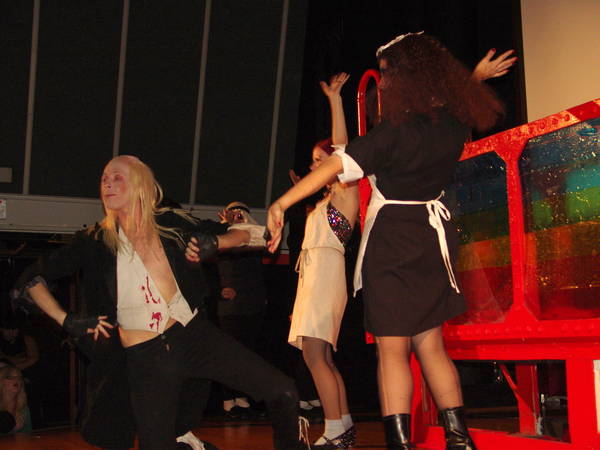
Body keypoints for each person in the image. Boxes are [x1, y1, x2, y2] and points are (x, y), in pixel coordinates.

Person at [267, 33, 513, 450]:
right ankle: (460, 440)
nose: (382, 82)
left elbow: (334, 165)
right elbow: (450, 102)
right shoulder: (453, 123)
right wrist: (475, 78)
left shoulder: (394, 132)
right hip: (432, 239)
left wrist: (282, 202)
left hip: (394, 240)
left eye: (386, 73)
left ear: (407, 77)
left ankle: (400, 444)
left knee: (392, 351)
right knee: (431, 346)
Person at [15, 155, 308, 450]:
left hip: (193, 334)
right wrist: (65, 319)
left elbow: (254, 235)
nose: (108, 184)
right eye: (104, 179)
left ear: (141, 185)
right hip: (146, 356)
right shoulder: (94, 241)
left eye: (117, 177)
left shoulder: (171, 225)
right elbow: (31, 280)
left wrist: (217, 243)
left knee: (282, 391)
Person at [285, 72, 358, 449]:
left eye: (319, 161)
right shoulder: (325, 201)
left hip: (326, 276)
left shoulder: (345, 191)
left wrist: (335, 100)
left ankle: (334, 430)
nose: (314, 167)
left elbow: (343, 148)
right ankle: (342, 426)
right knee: (322, 357)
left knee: (316, 356)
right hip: (315, 278)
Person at [215, 201, 268, 420]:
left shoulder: (253, 239)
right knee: (229, 354)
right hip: (231, 307)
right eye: (233, 212)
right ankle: (229, 401)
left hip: (252, 305)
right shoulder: (223, 238)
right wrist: (220, 289)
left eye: (241, 212)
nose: (237, 215)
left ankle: (242, 399)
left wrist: (247, 223)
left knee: (248, 354)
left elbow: (266, 240)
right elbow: (209, 266)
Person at [0, 366, 32, 434]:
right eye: (9, 377)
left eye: (19, 377)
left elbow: (29, 434)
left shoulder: (24, 409)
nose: (16, 379)